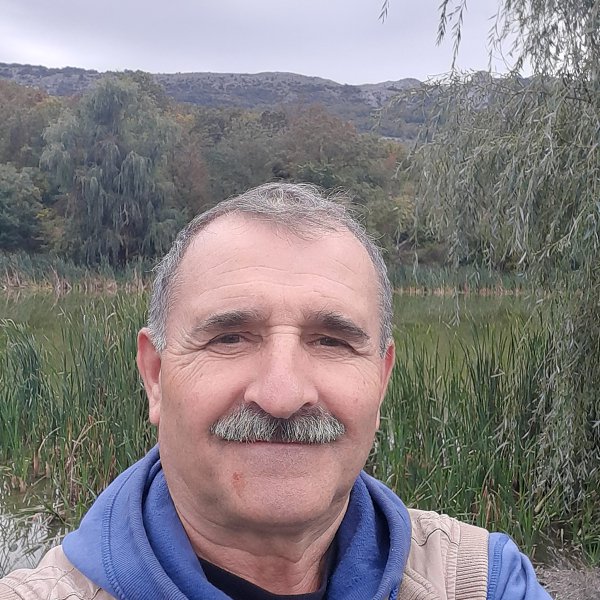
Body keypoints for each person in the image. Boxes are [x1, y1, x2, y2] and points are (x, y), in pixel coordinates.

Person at [0, 183, 550, 600]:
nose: (283, 395)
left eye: (331, 341)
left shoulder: (482, 580)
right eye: (230, 337)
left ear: (381, 382)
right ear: (155, 376)